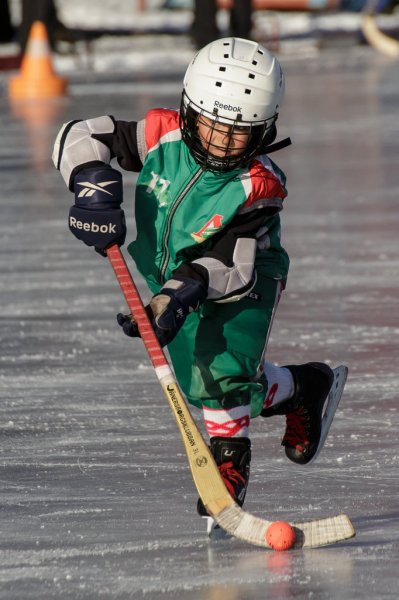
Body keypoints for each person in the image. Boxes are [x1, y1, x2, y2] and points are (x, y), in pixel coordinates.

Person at [53, 38, 338, 522]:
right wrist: (91, 183)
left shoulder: (258, 185)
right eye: (210, 126)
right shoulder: (161, 135)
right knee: (197, 375)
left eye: (238, 133)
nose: (221, 142)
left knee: (220, 368)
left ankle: (229, 462)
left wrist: (180, 293)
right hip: (172, 274)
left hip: (243, 279)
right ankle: (302, 386)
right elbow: (79, 133)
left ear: (264, 130)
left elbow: (233, 262)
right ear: (189, 111)